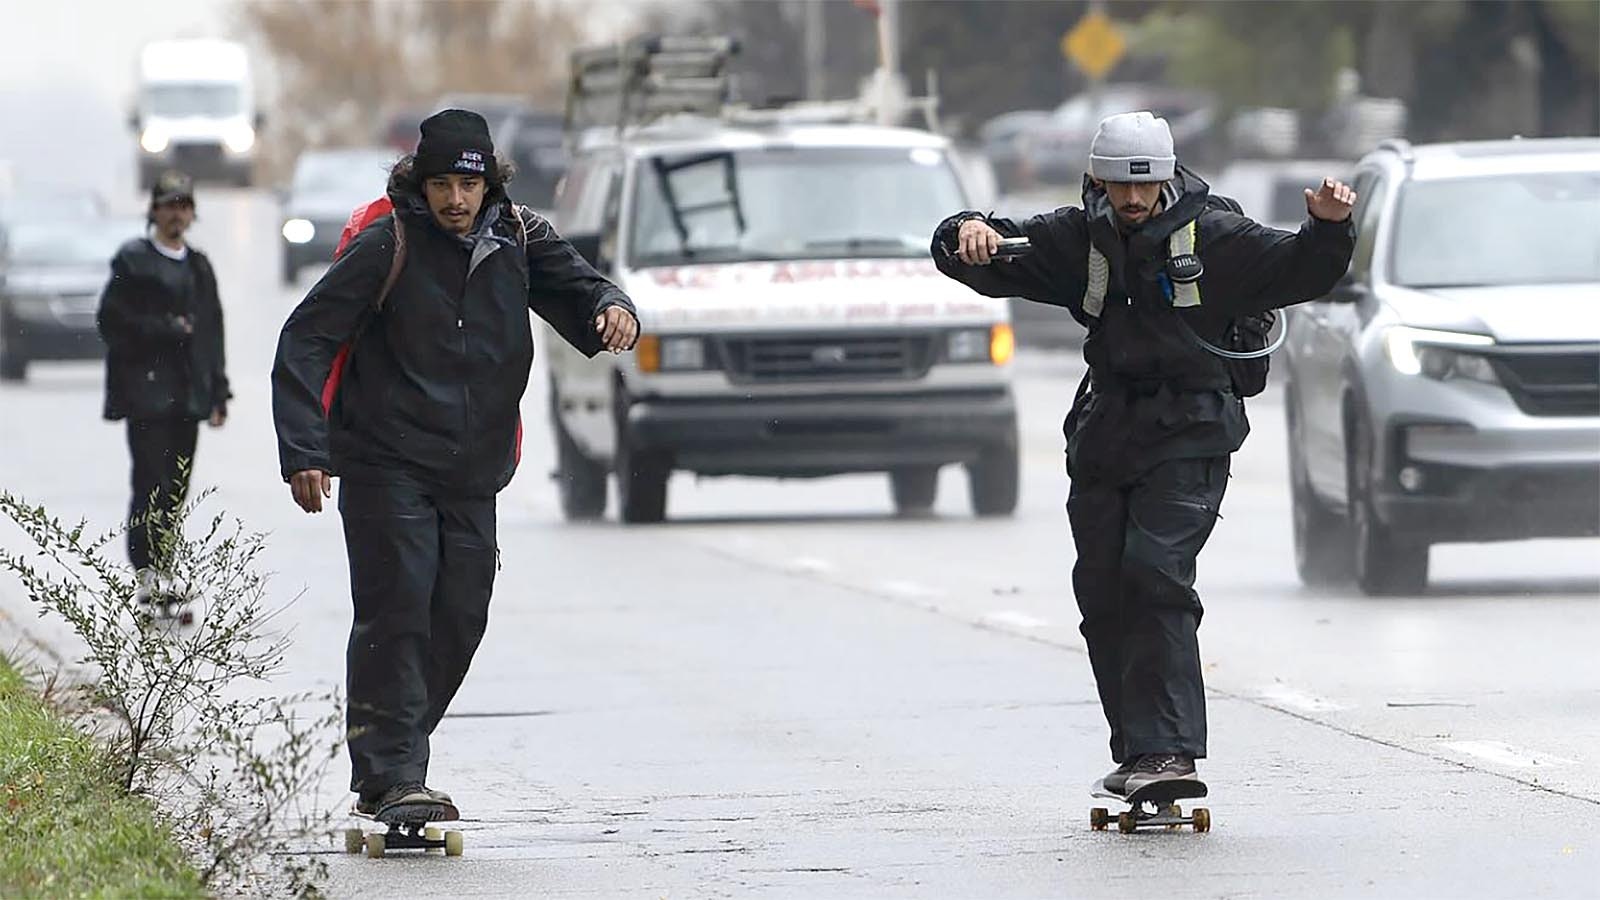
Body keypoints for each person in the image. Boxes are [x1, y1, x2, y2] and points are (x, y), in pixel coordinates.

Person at [931, 111, 1356, 796]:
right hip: (1108, 431)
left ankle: (1170, 752)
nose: (1134, 201)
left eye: (1147, 185)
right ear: (1098, 178)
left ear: (1166, 177)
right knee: (1102, 588)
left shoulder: (1215, 235)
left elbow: (1301, 269)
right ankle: (1138, 752)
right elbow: (982, 255)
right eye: (1121, 186)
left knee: (1154, 571)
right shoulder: (1078, 237)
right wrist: (963, 232)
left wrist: (1329, 227)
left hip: (1192, 428)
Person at [271, 109, 640, 823]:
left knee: (460, 617)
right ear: (418, 181)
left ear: (489, 183)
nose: (455, 201)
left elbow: (582, 287)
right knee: (398, 608)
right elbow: (306, 338)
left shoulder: (520, 237)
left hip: (474, 467)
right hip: (386, 461)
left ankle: (391, 756)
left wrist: (613, 308)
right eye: (440, 184)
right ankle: (395, 775)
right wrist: (304, 451)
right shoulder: (389, 243)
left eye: (467, 185)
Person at [97, 170, 230, 602]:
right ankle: (147, 571)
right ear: (153, 210)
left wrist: (219, 390)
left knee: (177, 485)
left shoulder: (199, 266)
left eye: (184, 205)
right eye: (169, 205)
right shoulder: (133, 261)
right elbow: (111, 321)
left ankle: (165, 566)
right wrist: (164, 329)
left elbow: (212, 330)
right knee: (149, 482)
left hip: (188, 396)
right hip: (146, 394)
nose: (177, 214)